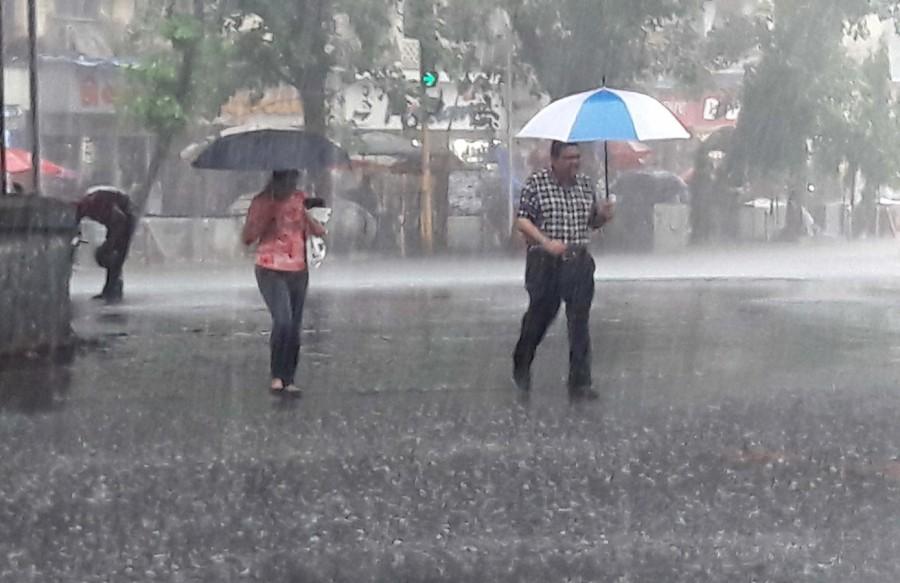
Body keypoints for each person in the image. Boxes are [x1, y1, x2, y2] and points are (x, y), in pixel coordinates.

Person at [512, 141, 615, 400]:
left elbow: (591, 222)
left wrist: (602, 215)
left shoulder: (586, 185)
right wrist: (546, 242)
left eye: (577, 157)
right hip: (545, 262)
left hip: (578, 260)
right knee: (540, 316)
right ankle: (522, 361)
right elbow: (522, 220)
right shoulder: (537, 184)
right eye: (569, 158)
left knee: (579, 321)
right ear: (554, 160)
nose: (575, 163)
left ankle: (580, 381)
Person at [242, 170, 327, 395]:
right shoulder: (262, 202)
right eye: (287, 180)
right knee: (283, 321)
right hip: (270, 268)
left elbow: (319, 231)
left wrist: (308, 217)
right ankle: (276, 375)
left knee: (295, 327)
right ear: (276, 179)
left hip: (299, 269)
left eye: (294, 180)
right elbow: (248, 237)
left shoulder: (301, 199)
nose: (291, 185)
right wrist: (265, 217)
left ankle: (289, 377)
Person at [75, 186, 136, 303]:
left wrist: (111, 243)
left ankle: (113, 289)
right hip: (116, 220)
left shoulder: (96, 203)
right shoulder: (85, 206)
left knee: (117, 253)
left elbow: (120, 219)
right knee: (113, 255)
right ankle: (111, 288)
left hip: (126, 216)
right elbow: (76, 224)